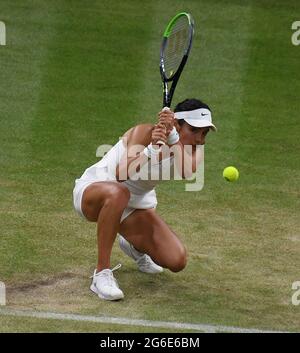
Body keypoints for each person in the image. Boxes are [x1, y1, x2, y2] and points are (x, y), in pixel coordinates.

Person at [72, 98, 216, 301]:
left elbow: (186, 171)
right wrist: (149, 150)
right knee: (119, 192)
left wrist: (173, 138)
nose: (200, 139)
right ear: (176, 123)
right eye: (194, 130)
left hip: (135, 205)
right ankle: (102, 274)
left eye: (204, 133)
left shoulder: (195, 150)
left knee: (177, 260)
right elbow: (121, 174)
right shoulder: (144, 133)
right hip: (96, 191)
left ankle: (133, 245)